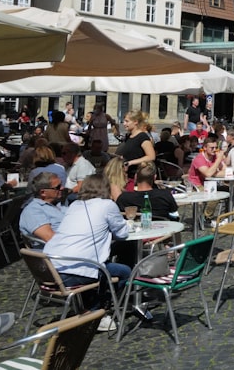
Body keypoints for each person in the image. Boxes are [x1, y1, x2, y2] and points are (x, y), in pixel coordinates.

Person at [43, 174, 129, 332]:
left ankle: (86, 306)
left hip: (49, 269)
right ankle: (97, 310)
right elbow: (122, 234)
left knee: (101, 265)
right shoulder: (107, 205)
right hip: (74, 271)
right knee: (124, 272)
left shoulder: (74, 205)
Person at [19, 172, 66, 243]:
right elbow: (51, 238)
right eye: (58, 187)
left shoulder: (59, 204)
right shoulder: (33, 211)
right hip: (59, 250)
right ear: (43, 192)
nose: (62, 188)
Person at [116, 110, 156, 177]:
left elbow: (151, 156)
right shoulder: (128, 136)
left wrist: (131, 162)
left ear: (135, 122)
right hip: (127, 173)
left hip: (138, 174)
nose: (124, 124)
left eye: (127, 121)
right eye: (124, 121)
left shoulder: (142, 137)